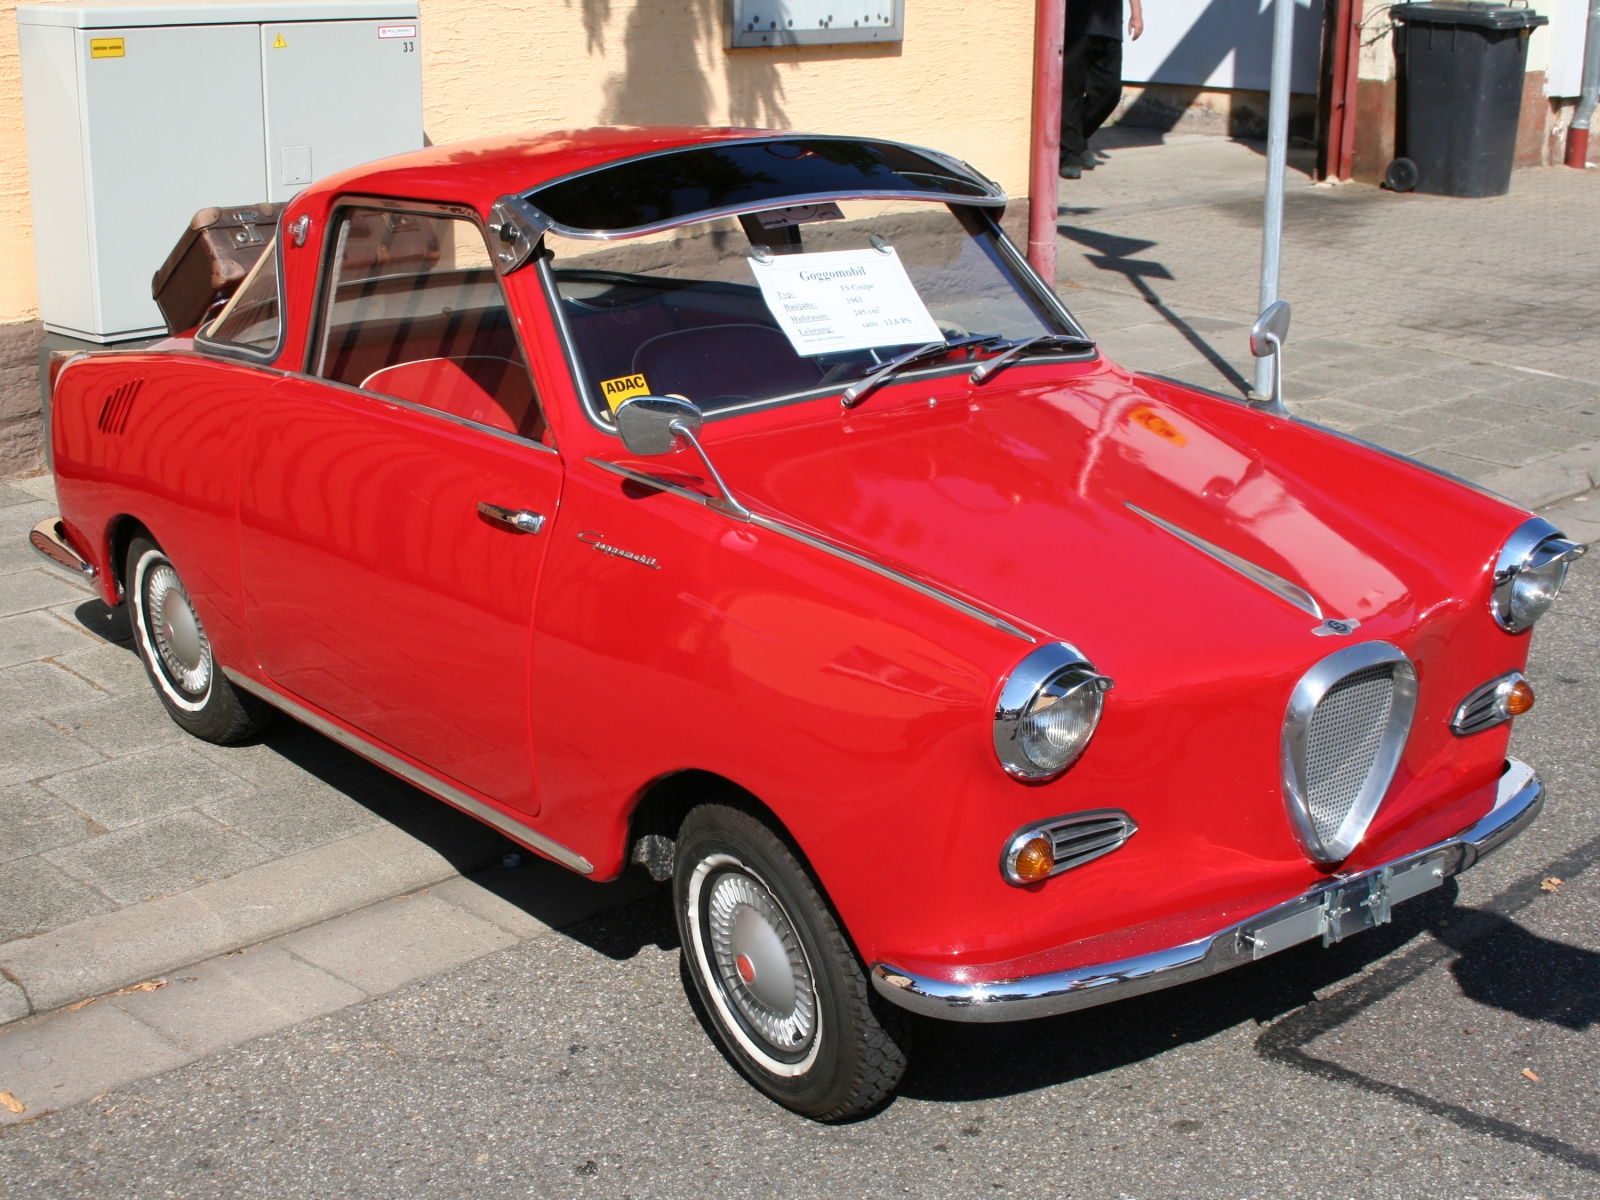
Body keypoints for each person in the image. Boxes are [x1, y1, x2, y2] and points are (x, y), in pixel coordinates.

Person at [1060, 0, 1143, 179]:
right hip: (1077, 24)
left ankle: (1075, 142)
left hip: (1109, 26)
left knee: (1110, 91)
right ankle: (1069, 155)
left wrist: (1136, 13)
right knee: (1071, 92)